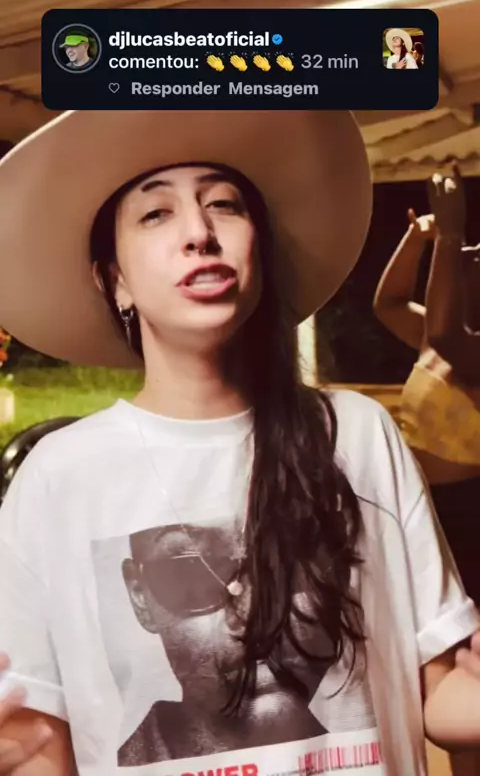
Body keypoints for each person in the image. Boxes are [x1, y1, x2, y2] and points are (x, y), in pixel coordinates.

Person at [0, 111, 480, 776]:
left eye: (223, 204)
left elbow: (441, 694)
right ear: (116, 282)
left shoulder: (355, 433)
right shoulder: (58, 477)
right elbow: (37, 744)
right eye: (157, 214)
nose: (199, 232)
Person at [373, 166, 480, 609]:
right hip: (418, 504)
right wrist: (418, 238)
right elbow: (389, 304)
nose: (473, 251)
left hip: (466, 515)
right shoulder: (433, 337)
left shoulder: (463, 347)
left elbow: (445, 333)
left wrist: (451, 237)